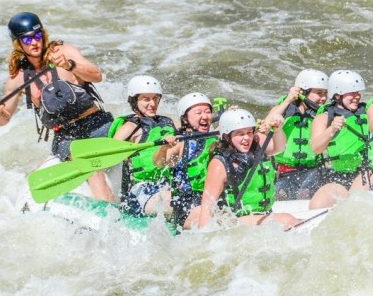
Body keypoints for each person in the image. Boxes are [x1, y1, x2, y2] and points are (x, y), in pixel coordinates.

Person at [0, 12, 115, 201]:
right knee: (91, 169)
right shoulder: (18, 78)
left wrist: (71, 65)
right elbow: (4, 120)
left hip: (98, 123)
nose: (34, 42)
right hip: (67, 137)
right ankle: (113, 220)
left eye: (37, 36)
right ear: (18, 43)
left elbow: (97, 76)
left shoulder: (64, 52)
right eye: (27, 39)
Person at [186, 108, 299, 230]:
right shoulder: (219, 163)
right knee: (287, 219)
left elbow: (279, 147)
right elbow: (207, 205)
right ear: (227, 137)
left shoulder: (257, 146)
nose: (246, 138)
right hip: (232, 219)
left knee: (289, 219)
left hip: (257, 215)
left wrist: (278, 130)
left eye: (249, 132)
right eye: (240, 134)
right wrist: (206, 238)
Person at [109, 75, 176, 216]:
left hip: (166, 184)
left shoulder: (167, 123)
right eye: (146, 99)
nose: (152, 104)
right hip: (140, 189)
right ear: (135, 101)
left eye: (155, 99)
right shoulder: (131, 125)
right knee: (171, 203)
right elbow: (111, 151)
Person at [153, 92, 219, 228]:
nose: (205, 116)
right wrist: (164, 147)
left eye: (208, 112)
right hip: (186, 204)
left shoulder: (215, 139)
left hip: (210, 201)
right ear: (185, 119)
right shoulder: (181, 142)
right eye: (198, 112)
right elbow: (159, 163)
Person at [309, 70, 371, 209]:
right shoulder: (324, 118)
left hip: (366, 171)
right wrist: (332, 129)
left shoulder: (367, 111)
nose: (357, 97)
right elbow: (316, 148)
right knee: (316, 206)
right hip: (337, 175)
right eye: (352, 93)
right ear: (337, 95)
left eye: (358, 93)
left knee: (357, 202)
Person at [266, 69, 329, 201]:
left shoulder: (324, 113)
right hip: (285, 171)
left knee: (304, 195)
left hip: (313, 170)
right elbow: (267, 124)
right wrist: (288, 100)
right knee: (280, 196)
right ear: (303, 92)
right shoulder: (284, 108)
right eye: (318, 93)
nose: (323, 98)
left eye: (325, 93)